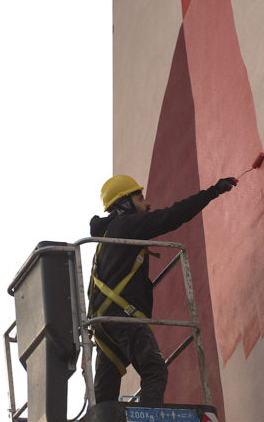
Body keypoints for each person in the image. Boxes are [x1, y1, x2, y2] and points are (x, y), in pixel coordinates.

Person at [88, 174, 237, 406]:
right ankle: (150, 418)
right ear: (124, 203)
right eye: (139, 198)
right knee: (154, 370)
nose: (147, 204)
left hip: (105, 324)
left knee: (105, 393)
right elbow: (171, 216)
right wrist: (213, 191)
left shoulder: (106, 238)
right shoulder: (127, 225)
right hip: (125, 319)